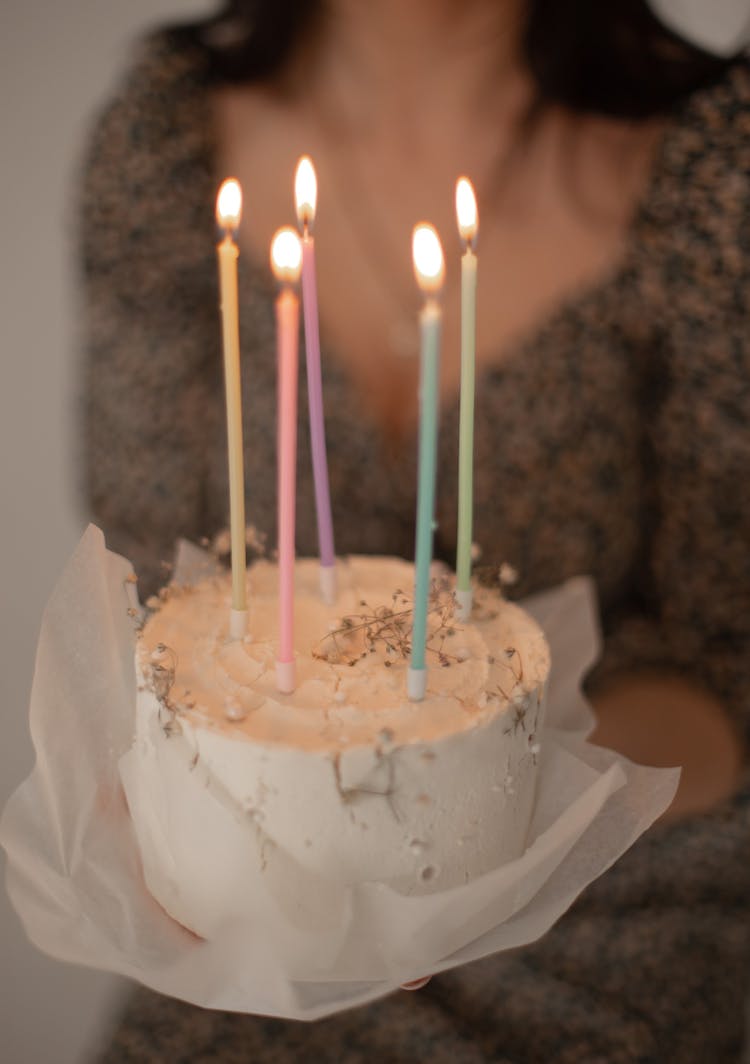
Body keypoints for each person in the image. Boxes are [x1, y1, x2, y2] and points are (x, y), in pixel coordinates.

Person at [80, 1, 750, 1059]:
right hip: (253, 925)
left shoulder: (719, 162)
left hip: (613, 920)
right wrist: (162, 808)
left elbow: (730, 664)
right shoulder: (168, 137)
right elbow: (151, 597)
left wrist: (519, 799)